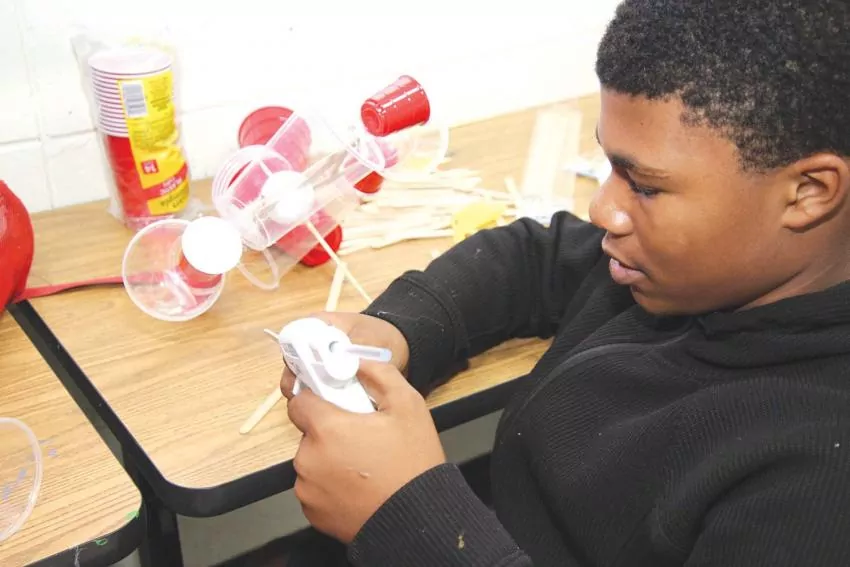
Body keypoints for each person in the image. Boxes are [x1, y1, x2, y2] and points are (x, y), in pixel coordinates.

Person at [278, 1, 850, 565]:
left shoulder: (817, 484)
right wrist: (398, 331)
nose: (603, 209)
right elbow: (534, 258)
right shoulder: (692, 273)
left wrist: (411, 520)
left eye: (645, 186)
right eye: (610, 166)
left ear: (810, 192)